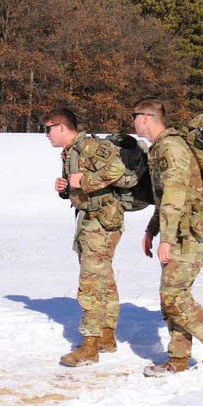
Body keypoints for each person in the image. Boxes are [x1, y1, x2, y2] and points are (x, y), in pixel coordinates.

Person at [132, 98, 203, 376]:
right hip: (179, 228)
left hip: (189, 231)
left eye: (134, 116)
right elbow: (164, 196)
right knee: (173, 295)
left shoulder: (171, 146)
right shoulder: (162, 147)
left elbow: (176, 193)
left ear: (145, 118)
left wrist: (166, 238)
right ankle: (178, 358)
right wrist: (151, 230)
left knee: (173, 296)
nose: (132, 122)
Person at [47, 108, 128, 367]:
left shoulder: (90, 146)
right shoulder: (70, 152)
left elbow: (116, 170)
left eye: (47, 129)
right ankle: (105, 336)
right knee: (102, 277)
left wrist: (85, 182)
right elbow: (77, 185)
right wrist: (65, 189)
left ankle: (90, 345)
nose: (46, 135)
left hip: (102, 221)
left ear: (61, 127)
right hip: (88, 219)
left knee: (90, 282)